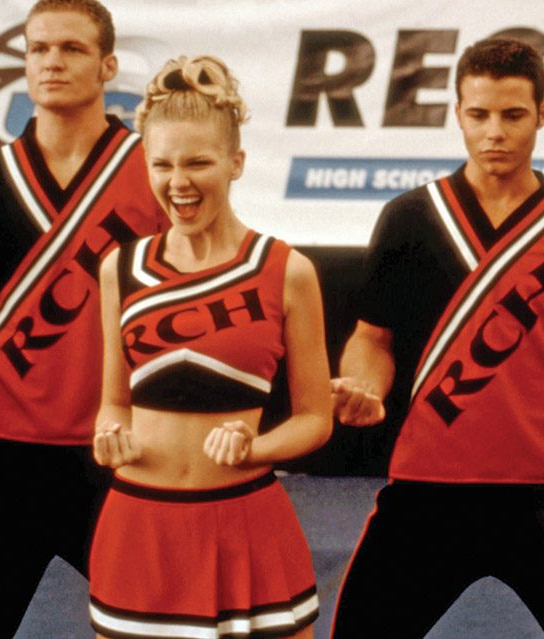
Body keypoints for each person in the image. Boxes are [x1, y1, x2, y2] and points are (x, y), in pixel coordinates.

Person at [329, 38, 544, 638]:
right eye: (479, 114)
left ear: (542, 113)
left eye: (513, 115)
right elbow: (372, 338)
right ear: (457, 114)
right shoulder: (409, 219)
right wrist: (364, 385)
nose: (495, 132)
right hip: (428, 487)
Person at [84, 54, 332, 639]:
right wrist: (108, 437)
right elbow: (114, 402)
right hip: (139, 528)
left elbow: (316, 419)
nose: (179, 182)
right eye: (163, 164)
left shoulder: (287, 270)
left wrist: (256, 449)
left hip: (247, 522)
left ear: (236, 162)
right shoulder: (120, 268)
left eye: (198, 162)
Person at [0, 1, 166, 636]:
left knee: (156, 622)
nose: (52, 61)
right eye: (38, 48)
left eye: (72, 48)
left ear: (108, 66)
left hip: (117, 450)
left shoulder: (157, 174)